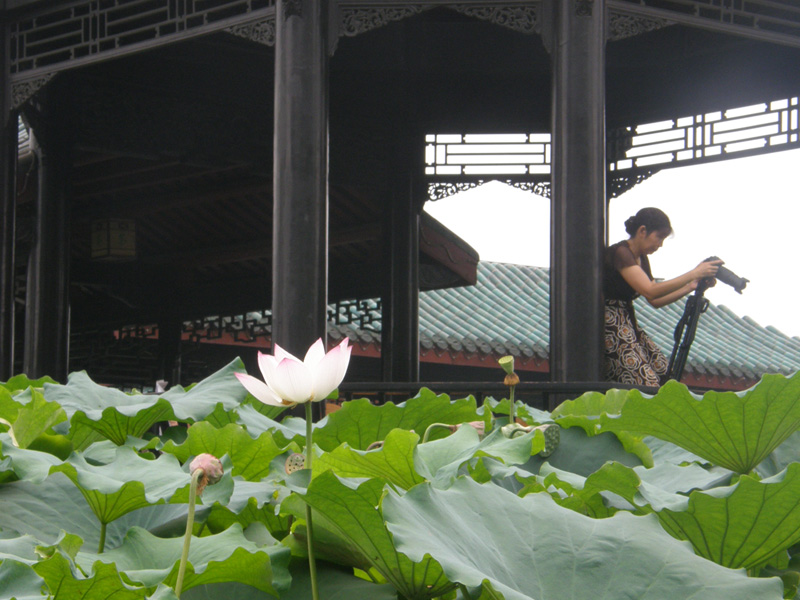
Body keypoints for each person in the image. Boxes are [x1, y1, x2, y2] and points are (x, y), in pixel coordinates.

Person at [604, 207, 721, 386]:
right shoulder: (621, 252)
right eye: (659, 237)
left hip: (627, 321)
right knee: (647, 383)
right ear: (642, 231)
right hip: (609, 324)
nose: (660, 245)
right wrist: (694, 273)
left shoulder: (641, 258)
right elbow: (650, 290)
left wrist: (691, 285)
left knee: (667, 377)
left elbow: (654, 301)